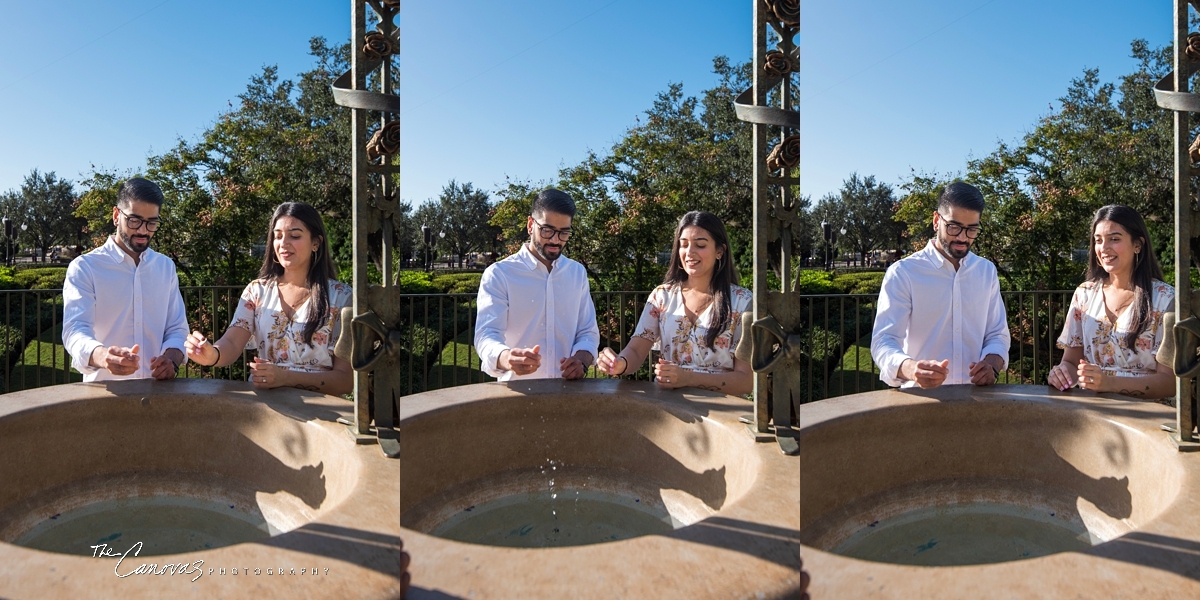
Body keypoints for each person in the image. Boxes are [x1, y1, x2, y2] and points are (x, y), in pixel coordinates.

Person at [184, 202, 353, 394]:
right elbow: (232, 342)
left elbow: (345, 380)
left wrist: (285, 377)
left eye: (295, 236)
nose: (284, 243)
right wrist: (211, 355)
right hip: (266, 409)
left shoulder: (342, 297)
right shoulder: (257, 291)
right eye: (278, 236)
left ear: (316, 243)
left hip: (319, 413)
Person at [870, 182, 1010, 389]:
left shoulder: (986, 271)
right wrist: (912, 369)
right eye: (954, 227)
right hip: (922, 402)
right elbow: (884, 340)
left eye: (972, 229)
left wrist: (992, 365)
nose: (962, 237)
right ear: (937, 221)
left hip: (977, 403)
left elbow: (997, 334)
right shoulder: (903, 273)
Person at [596, 211, 753, 394]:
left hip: (721, 415)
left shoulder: (742, 302)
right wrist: (619, 364)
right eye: (684, 244)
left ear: (720, 251)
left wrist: (688, 378)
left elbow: (746, 381)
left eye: (700, 245)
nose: (689, 252)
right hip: (669, 409)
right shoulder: (662, 296)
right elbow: (637, 351)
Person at [62, 177, 189, 381]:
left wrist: (171, 360)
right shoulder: (85, 267)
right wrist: (102, 356)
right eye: (134, 220)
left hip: (159, 397)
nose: (142, 230)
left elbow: (177, 328)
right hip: (105, 398)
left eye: (151, 223)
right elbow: (75, 330)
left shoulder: (165, 267)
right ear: (116, 216)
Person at [1047, 205, 1175, 399]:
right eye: (1098, 241)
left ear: (1138, 245)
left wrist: (1109, 383)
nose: (1104, 248)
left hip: (1149, 418)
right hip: (1095, 412)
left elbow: (1170, 383)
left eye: (1114, 239)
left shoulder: (1165, 299)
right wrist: (1061, 373)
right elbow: (1072, 363)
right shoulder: (1084, 294)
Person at [475, 188, 599, 381]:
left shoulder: (577, 273)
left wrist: (581, 361)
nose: (555, 240)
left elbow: (587, 331)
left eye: (564, 233)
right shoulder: (499, 274)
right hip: (517, 396)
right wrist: (506, 357)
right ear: (530, 224)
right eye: (547, 230)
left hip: (569, 395)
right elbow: (486, 334)